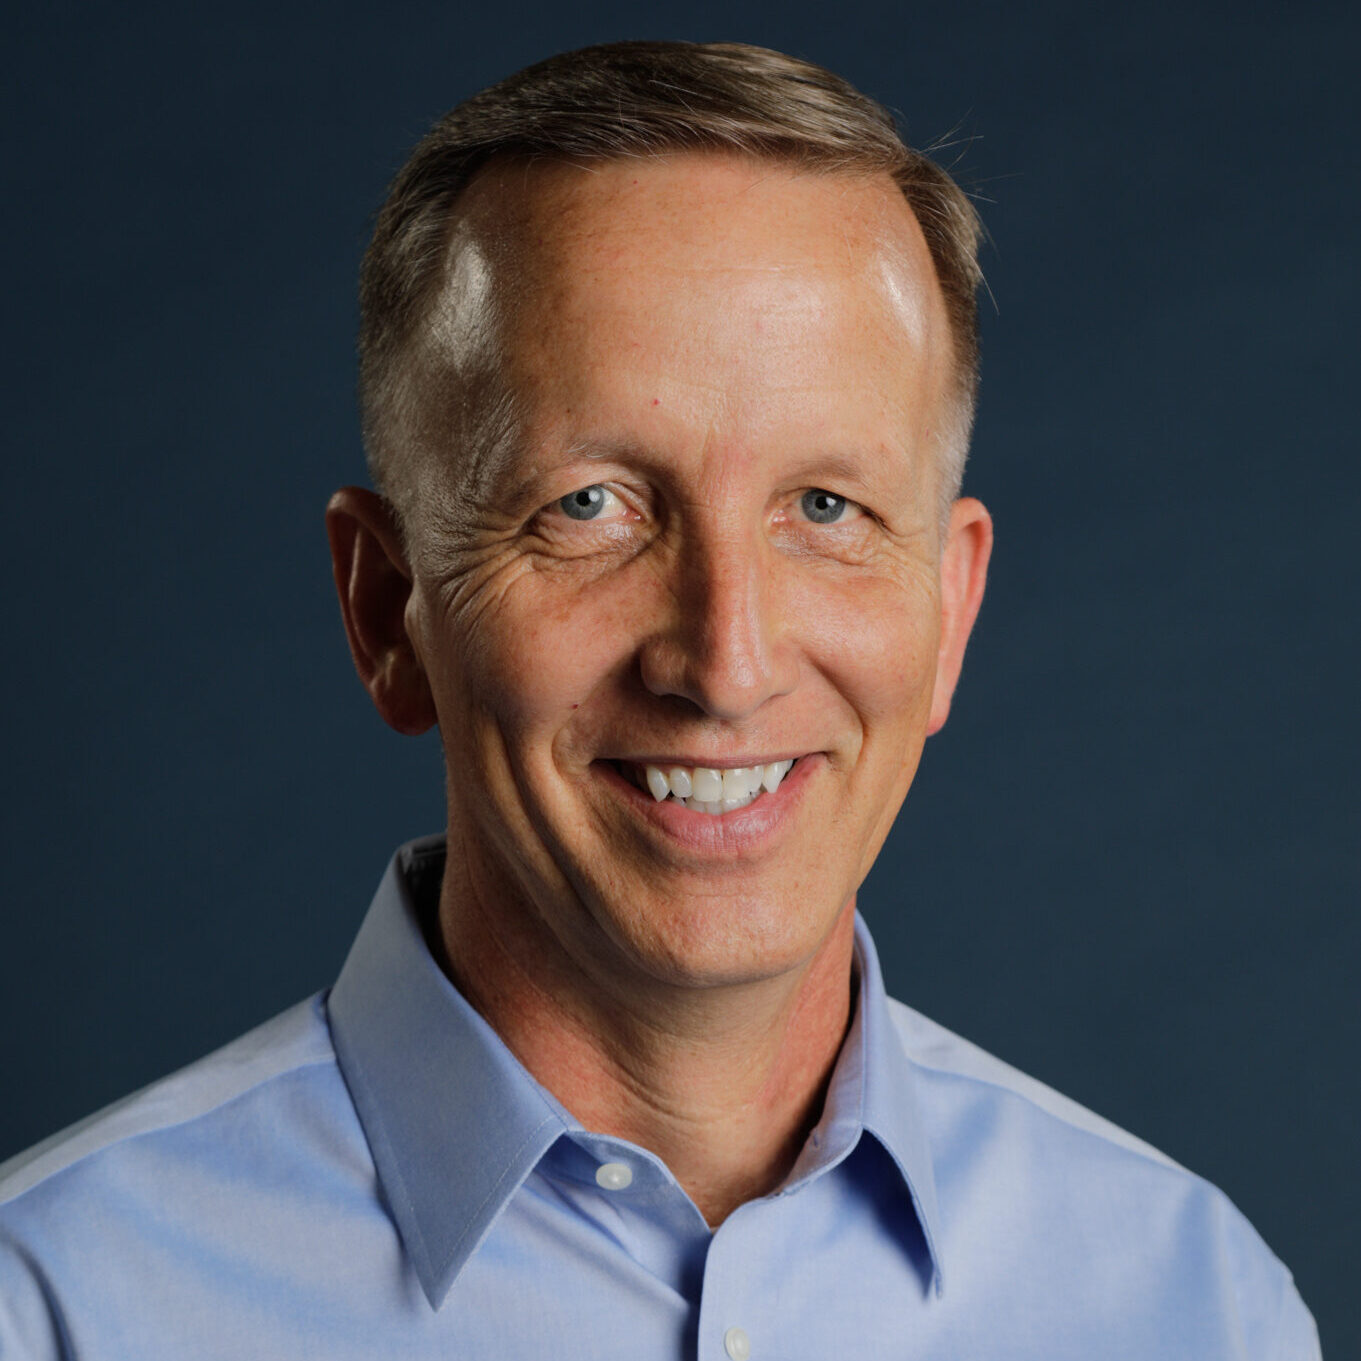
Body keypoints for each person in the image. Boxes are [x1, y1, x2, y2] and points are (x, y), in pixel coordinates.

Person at [0, 39, 1320, 1360]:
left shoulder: (1195, 1305)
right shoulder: (53, 1301)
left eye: (824, 507)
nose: (725, 661)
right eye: (589, 507)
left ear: (948, 612)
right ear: (385, 607)